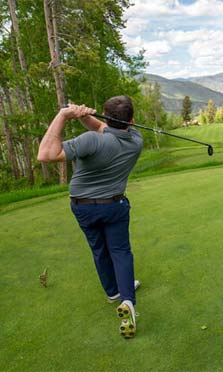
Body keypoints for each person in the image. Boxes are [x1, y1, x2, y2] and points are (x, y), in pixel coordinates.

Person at [37, 96, 143, 338]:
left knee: (99, 250)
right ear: (132, 120)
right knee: (120, 252)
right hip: (114, 205)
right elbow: (104, 128)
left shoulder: (91, 141)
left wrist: (64, 115)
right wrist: (85, 116)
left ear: (106, 116)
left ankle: (112, 293)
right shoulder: (136, 140)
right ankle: (127, 301)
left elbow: (45, 154)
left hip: (83, 207)